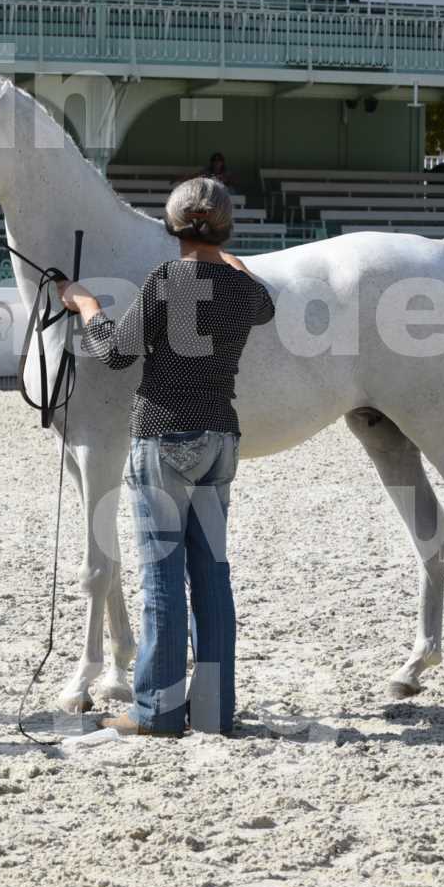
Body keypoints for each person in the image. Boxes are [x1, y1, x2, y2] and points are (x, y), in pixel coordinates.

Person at [57, 177, 275, 738]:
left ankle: (157, 711)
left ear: (172, 227)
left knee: (161, 580)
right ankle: (214, 710)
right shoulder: (244, 292)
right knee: (212, 578)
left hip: (164, 435)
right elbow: (265, 304)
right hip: (220, 437)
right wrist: (230, 257)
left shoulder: (164, 279)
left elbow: (112, 351)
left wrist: (85, 304)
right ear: (225, 229)